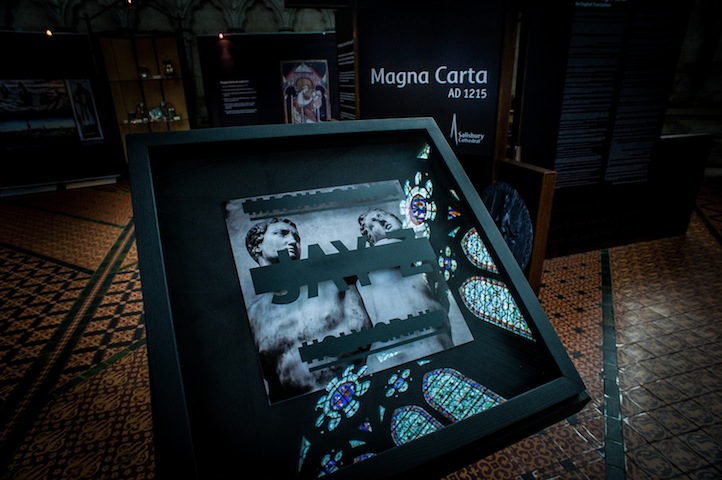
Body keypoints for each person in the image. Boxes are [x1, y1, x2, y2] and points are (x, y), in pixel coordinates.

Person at [245, 217, 372, 403]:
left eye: (296, 238)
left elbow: (369, 335)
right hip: (302, 409)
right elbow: (270, 383)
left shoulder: (335, 283)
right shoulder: (253, 317)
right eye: (281, 234)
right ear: (257, 246)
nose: (292, 241)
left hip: (362, 392)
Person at [356, 208, 453, 372]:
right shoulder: (392, 250)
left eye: (383, 216)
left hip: (398, 348)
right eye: (374, 222)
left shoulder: (365, 277)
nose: (382, 221)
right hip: (420, 342)